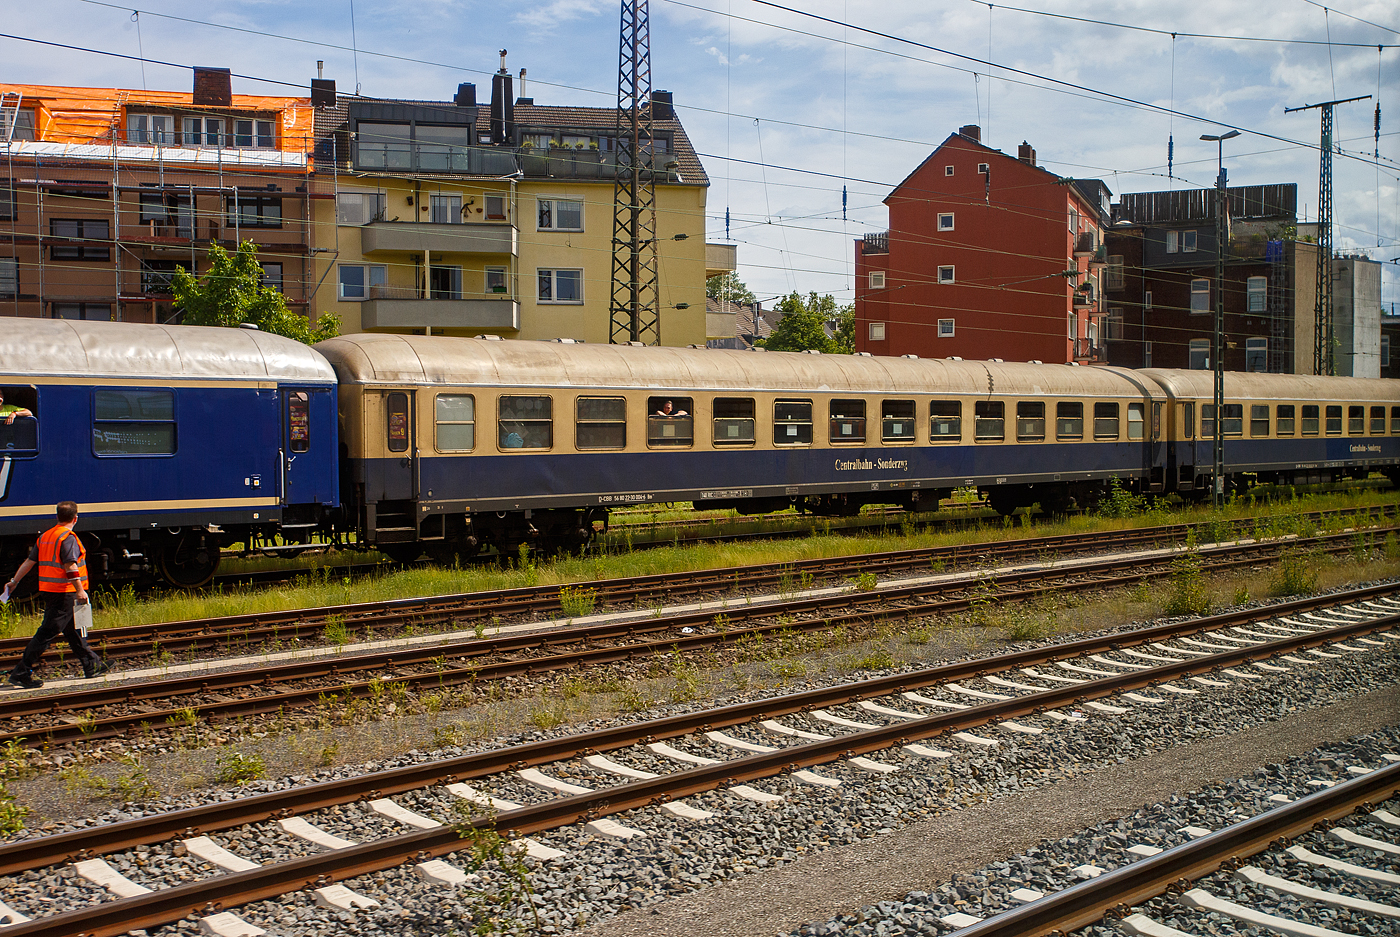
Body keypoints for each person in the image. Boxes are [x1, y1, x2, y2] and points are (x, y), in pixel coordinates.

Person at [4, 502, 109, 688]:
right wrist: (80, 590)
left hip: (50, 591)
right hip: (65, 592)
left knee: (73, 630)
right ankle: (21, 672)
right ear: (75, 518)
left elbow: (29, 562)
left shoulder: (46, 536)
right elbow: (70, 566)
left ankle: (92, 665)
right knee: (47, 632)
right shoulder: (67, 538)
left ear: (57, 517)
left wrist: (14, 581)